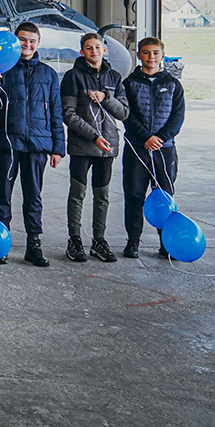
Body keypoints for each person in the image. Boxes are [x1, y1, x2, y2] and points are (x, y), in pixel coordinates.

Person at [0, 22, 65, 267]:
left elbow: (56, 112)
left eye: (32, 41)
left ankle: (34, 244)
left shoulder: (48, 74)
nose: (27, 45)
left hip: (37, 144)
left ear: (38, 44)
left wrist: (58, 147)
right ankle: (1, 244)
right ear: (14, 42)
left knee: (33, 197)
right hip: (6, 143)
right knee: (2, 195)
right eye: (22, 40)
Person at [61, 32, 128, 263]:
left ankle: (99, 240)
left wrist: (105, 97)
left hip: (107, 148)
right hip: (82, 146)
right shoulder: (72, 77)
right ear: (82, 52)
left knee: (103, 196)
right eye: (89, 48)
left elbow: (124, 112)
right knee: (77, 194)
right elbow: (68, 114)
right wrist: (93, 137)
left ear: (104, 49)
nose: (94, 51)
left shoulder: (115, 78)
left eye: (98, 47)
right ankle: (75, 240)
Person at [120, 37, 185, 259]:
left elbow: (177, 118)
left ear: (162, 56)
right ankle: (133, 241)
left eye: (156, 53)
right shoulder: (129, 84)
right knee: (134, 195)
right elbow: (127, 116)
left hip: (164, 149)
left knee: (164, 197)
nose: (151, 57)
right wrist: (145, 138)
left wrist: (159, 138)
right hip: (137, 149)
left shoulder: (173, 84)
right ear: (139, 55)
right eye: (146, 53)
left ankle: (166, 243)